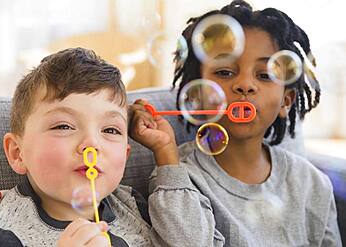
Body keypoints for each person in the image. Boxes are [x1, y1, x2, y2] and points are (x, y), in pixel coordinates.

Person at [129, 1, 342, 246]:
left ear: (286, 101)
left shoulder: (313, 184)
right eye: (225, 72)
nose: (245, 85)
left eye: (264, 75)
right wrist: (165, 154)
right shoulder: (178, 178)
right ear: (197, 96)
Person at [0, 48, 152, 247]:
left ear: (126, 154)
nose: (92, 144)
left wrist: (166, 157)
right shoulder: (8, 234)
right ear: (18, 153)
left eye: (111, 130)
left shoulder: (132, 204)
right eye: (64, 126)